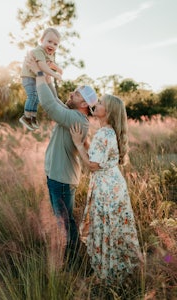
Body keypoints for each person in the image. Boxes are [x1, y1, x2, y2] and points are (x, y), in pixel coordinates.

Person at [25, 54, 98, 260]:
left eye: (75, 94)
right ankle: (70, 254)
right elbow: (55, 99)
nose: (71, 93)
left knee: (65, 223)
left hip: (62, 181)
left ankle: (72, 259)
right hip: (57, 177)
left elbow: (49, 105)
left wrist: (39, 72)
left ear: (83, 103)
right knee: (63, 221)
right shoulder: (73, 113)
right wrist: (47, 76)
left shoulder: (78, 120)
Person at [70, 94, 142, 284]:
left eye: (100, 103)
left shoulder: (104, 134)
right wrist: (86, 142)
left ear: (108, 112)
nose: (96, 104)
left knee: (105, 227)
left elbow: (93, 165)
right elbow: (98, 157)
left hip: (105, 188)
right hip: (115, 185)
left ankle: (107, 275)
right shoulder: (109, 132)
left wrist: (78, 143)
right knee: (114, 227)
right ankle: (118, 269)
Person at [19, 27, 63, 131]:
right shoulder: (39, 50)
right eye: (49, 41)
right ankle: (26, 117)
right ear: (42, 40)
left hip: (35, 77)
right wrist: (55, 74)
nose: (52, 45)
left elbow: (50, 63)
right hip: (28, 77)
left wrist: (58, 69)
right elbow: (43, 66)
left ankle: (32, 118)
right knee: (32, 96)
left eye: (55, 44)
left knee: (37, 97)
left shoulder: (48, 54)